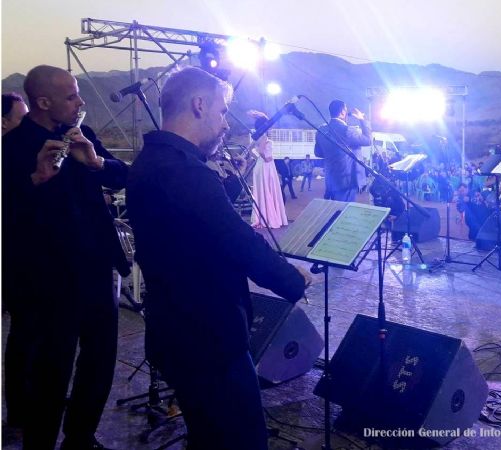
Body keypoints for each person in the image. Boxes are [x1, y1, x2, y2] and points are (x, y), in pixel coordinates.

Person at [126, 67, 311, 450]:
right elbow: (236, 240)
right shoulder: (184, 171)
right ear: (199, 105)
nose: (225, 122)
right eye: (223, 111)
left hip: (175, 327)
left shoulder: (154, 161)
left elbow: (194, 224)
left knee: (208, 434)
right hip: (207, 336)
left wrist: (224, 183)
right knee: (240, 438)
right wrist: (292, 279)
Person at [2, 65, 129, 449]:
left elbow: (122, 176)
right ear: (44, 102)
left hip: (95, 268)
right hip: (47, 277)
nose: (80, 102)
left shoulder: (83, 135)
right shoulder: (12, 146)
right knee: (51, 368)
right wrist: (36, 180)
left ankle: (81, 436)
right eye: (72, 95)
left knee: (100, 357)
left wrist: (96, 163)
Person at [314, 99, 371, 201]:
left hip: (331, 180)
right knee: (344, 213)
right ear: (343, 112)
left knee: (335, 211)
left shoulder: (321, 130)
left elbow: (317, 152)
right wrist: (362, 119)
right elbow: (368, 141)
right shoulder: (347, 130)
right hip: (346, 181)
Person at [249, 112, 288, 229]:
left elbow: (251, 150)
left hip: (261, 165)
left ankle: (263, 217)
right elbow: (261, 150)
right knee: (269, 190)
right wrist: (266, 158)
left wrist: (261, 158)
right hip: (266, 166)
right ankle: (269, 217)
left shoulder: (258, 136)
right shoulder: (264, 136)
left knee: (264, 190)